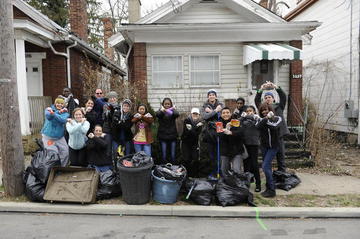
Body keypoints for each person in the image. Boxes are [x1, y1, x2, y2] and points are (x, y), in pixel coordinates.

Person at [255, 81, 289, 172]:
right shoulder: (263, 108)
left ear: (273, 99)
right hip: (267, 137)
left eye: (269, 97)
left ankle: (282, 174)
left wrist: (276, 87)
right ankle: (269, 176)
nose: (267, 99)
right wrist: (261, 90)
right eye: (265, 98)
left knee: (280, 156)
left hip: (279, 135)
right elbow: (257, 100)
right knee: (267, 159)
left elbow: (283, 97)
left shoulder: (279, 106)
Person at [256, 103, 282, 198]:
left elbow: (274, 126)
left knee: (265, 166)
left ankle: (272, 190)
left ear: (270, 109)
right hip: (264, 147)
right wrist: (266, 118)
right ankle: (268, 187)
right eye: (262, 110)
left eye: (266, 110)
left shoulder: (278, 118)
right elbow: (257, 127)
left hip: (274, 147)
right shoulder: (261, 119)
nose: (264, 112)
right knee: (268, 167)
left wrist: (267, 119)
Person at [216, 107, 245, 176]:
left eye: (227, 112)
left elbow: (241, 133)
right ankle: (227, 186)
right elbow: (219, 135)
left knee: (236, 170)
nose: (226, 114)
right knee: (223, 171)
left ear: (230, 113)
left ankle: (238, 185)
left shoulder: (235, 121)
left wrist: (231, 132)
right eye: (223, 113)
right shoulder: (219, 123)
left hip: (236, 150)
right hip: (224, 151)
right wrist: (226, 128)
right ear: (221, 114)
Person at [201, 89, 224, 178]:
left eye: (213, 95)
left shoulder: (221, 105)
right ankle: (213, 172)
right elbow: (204, 116)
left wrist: (211, 112)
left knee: (219, 154)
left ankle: (220, 171)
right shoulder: (204, 106)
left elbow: (223, 115)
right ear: (208, 97)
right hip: (209, 132)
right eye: (210, 95)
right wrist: (214, 111)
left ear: (216, 96)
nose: (211, 96)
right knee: (211, 155)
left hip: (219, 129)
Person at [41, 97, 70, 167]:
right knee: (53, 154)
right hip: (48, 137)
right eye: (57, 103)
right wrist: (57, 112)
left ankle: (62, 168)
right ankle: (52, 170)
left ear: (63, 105)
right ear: (55, 103)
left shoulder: (66, 113)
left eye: (61, 103)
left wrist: (54, 114)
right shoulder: (48, 109)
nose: (59, 105)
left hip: (59, 137)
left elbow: (62, 120)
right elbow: (48, 116)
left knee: (65, 153)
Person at [240, 105, 261, 192]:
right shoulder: (243, 121)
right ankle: (246, 183)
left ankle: (258, 184)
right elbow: (236, 123)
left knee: (254, 164)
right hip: (245, 144)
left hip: (254, 144)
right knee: (246, 164)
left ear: (254, 112)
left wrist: (254, 117)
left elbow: (260, 124)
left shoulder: (257, 119)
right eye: (247, 111)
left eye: (251, 111)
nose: (249, 113)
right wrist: (242, 117)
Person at [156, 98, 180, 164]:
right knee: (164, 155)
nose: (167, 105)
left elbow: (177, 114)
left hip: (172, 136)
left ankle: (173, 167)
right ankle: (163, 167)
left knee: (173, 155)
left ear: (171, 104)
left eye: (168, 104)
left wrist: (172, 109)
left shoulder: (172, 112)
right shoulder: (161, 111)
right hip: (163, 136)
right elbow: (158, 114)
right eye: (165, 104)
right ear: (163, 105)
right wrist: (163, 110)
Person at [181, 108, 203, 177]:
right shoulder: (187, 120)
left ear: (199, 115)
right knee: (186, 159)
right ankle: (186, 175)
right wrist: (196, 127)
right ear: (191, 114)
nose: (195, 115)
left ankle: (194, 176)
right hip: (185, 142)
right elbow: (186, 133)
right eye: (194, 113)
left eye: (197, 114)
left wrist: (191, 129)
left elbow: (196, 134)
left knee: (195, 159)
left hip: (194, 143)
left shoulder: (200, 123)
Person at [102, 91, 122, 157]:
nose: (112, 99)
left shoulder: (120, 107)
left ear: (116, 98)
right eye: (110, 98)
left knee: (116, 149)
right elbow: (104, 118)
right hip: (107, 130)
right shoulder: (106, 106)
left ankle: (116, 165)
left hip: (116, 131)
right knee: (108, 148)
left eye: (114, 97)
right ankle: (109, 165)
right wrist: (108, 112)